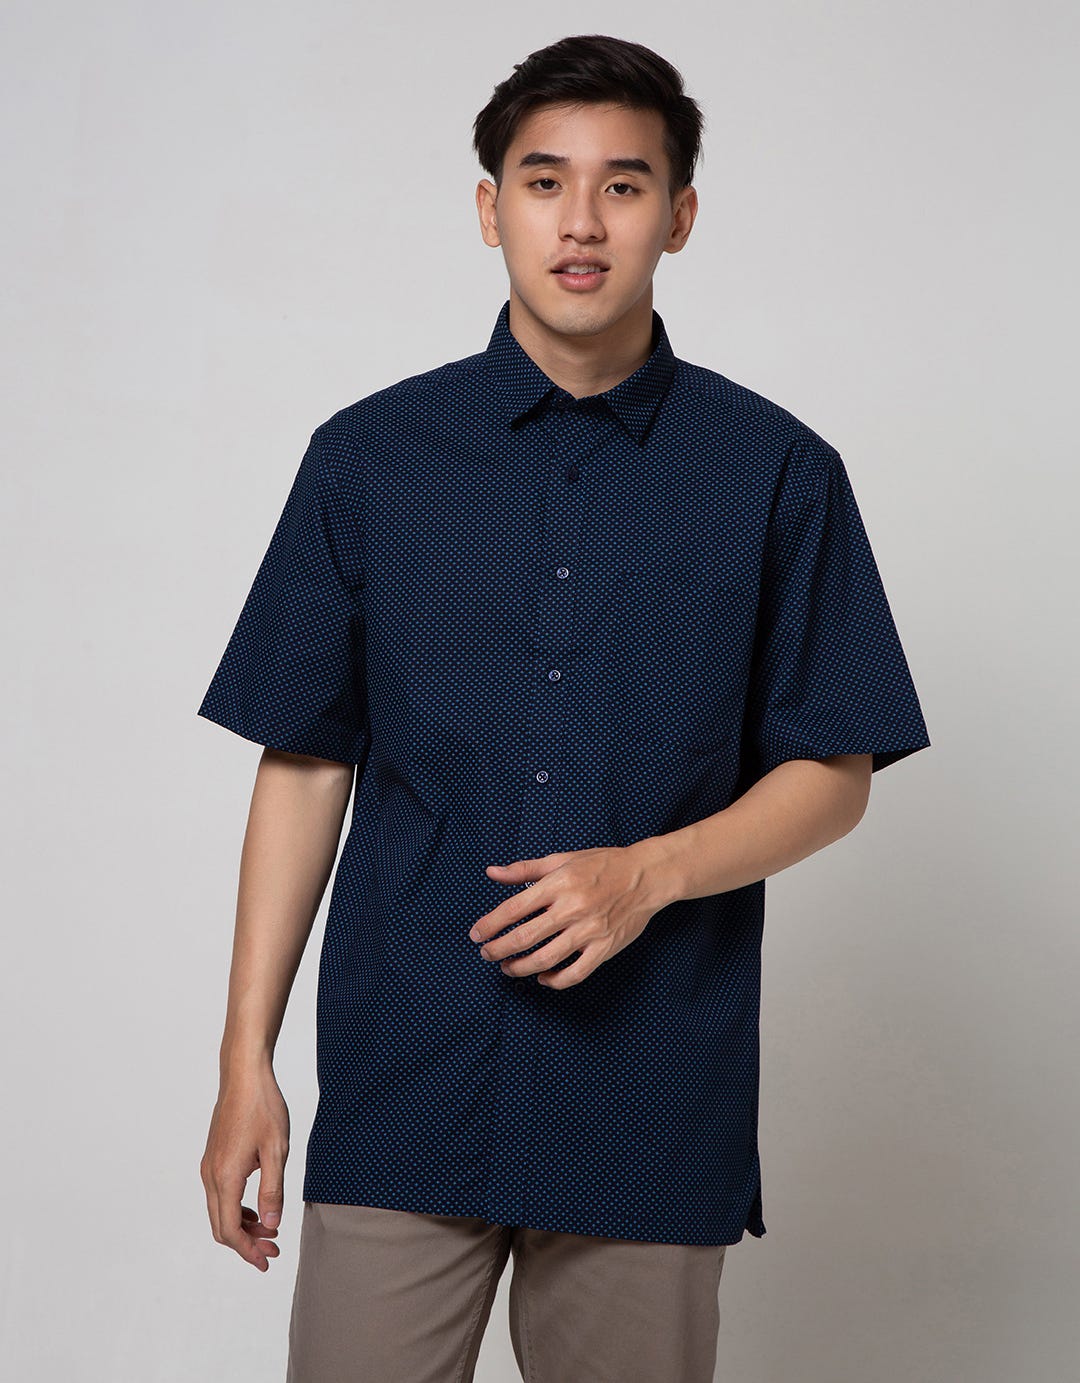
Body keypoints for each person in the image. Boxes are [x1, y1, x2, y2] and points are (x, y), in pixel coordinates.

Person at [196, 32, 931, 1383]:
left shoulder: (777, 473)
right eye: (545, 183)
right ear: (491, 209)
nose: (581, 222)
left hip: (650, 1096)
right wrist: (247, 1059)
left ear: (680, 215)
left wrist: (651, 874)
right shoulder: (368, 459)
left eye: (624, 185)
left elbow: (836, 770)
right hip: (407, 1080)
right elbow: (303, 762)